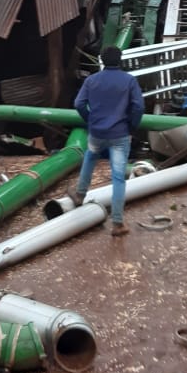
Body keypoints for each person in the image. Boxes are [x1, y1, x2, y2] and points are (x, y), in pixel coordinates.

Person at [72, 46, 145, 236]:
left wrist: (90, 119)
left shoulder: (91, 80)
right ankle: (117, 223)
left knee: (90, 156)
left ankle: (80, 195)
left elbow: (78, 104)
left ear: (102, 61)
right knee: (118, 177)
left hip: (97, 132)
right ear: (120, 60)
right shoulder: (129, 80)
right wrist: (132, 126)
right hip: (120, 134)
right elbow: (138, 107)